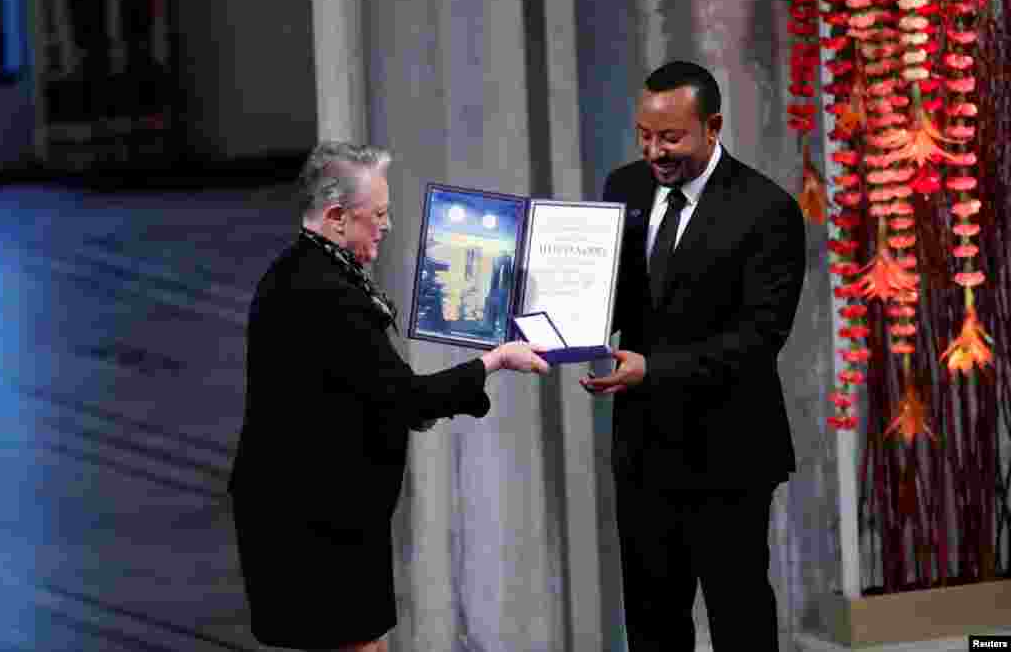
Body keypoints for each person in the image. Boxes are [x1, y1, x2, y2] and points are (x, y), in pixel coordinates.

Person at [227, 141, 549, 652]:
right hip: (310, 526)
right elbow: (408, 398)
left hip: (323, 514)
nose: (387, 225)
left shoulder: (305, 272)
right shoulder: (323, 293)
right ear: (336, 217)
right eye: (377, 214)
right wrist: (494, 360)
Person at [581, 61, 806, 651]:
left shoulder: (768, 210)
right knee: (653, 624)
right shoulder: (623, 188)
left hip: (729, 454)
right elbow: (603, 291)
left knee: (740, 618)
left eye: (671, 137)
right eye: (644, 135)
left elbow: (758, 341)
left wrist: (653, 369)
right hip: (643, 452)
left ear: (713, 126)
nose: (655, 151)